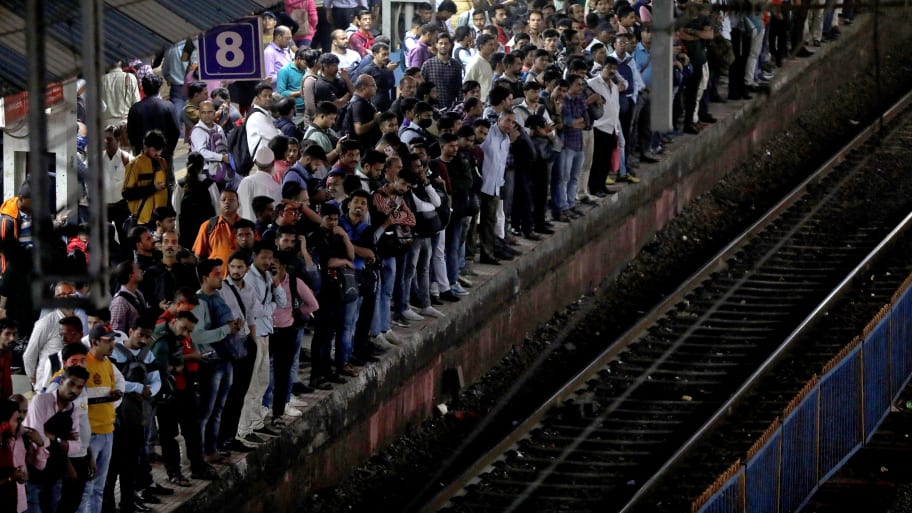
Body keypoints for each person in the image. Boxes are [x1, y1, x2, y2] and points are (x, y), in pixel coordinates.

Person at [192, 259, 244, 465]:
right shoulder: (199, 302)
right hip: (210, 362)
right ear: (205, 277)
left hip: (225, 359)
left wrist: (234, 327)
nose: (221, 276)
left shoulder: (218, 297)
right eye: (216, 273)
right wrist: (226, 330)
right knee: (206, 411)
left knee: (218, 409)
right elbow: (198, 337)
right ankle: (199, 454)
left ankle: (211, 449)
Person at [237, 241, 287, 441]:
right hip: (253, 334)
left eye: (270, 258)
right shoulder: (249, 279)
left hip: (266, 333)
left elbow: (282, 302)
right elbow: (257, 310)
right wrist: (272, 304)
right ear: (255, 256)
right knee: (250, 384)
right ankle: (244, 429)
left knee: (262, 382)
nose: (267, 261)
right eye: (264, 257)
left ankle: (256, 423)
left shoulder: (267, 276)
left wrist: (276, 284)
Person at [25, 366, 87, 513]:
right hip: (33, 471)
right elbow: (37, 438)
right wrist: (62, 440)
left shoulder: (73, 409)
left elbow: (77, 445)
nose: (74, 390)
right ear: (62, 381)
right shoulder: (41, 401)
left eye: (79, 387)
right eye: (71, 384)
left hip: (55, 473)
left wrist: (54, 437)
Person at [80, 324, 127, 513]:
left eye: (113, 340)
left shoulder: (108, 363)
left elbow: (115, 389)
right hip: (90, 434)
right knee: (86, 488)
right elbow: (78, 402)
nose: (113, 345)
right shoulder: (83, 365)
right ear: (94, 342)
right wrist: (100, 401)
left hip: (108, 431)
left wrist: (112, 400)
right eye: (108, 341)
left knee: (99, 488)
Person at [126, 75, 180, 172]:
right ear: (159, 88)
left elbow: (131, 134)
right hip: (164, 154)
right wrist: (169, 150)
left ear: (143, 88)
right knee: (166, 182)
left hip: (143, 154)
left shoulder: (135, 109)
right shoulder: (168, 106)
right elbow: (176, 130)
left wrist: (138, 151)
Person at [122, 130, 169, 225]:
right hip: (143, 220)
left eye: (160, 150)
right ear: (145, 147)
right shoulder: (134, 165)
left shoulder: (162, 162)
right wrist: (153, 188)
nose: (158, 154)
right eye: (154, 150)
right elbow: (127, 194)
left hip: (160, 219)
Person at [192, 190, 242, 265]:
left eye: (231, 200)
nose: (227, 202)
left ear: (238, 204)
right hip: (216, 275)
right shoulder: (207, 226)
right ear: (219, 204)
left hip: (243, 275)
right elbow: (198, 256)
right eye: (223, 200)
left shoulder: (248, 226)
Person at [190, 100, 232, 186]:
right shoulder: (197, 131)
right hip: (204, 173)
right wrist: (221, 158)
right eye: (203, 112)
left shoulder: (218, 128)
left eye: (209, 112)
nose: (206, 115)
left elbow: (225, 147)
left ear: (214, 113)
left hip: (221, 172)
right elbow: (201, 152)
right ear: (199, 114)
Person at [238, 147, 283, 221]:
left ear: (255, 162)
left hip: (244, 229)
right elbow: (276, 216)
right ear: (273, 163)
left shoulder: (245, 181)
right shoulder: (276, 188)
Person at [420, 32, 462, 110]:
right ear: (436, 45)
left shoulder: (456, 65)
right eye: (441, 43)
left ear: (450, 45)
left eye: (446, 43)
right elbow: (422, 87)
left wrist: (458, 105)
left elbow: (459, 88)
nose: (443, 46)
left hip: (451, 108)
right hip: (431, 108)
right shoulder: (428, 64)